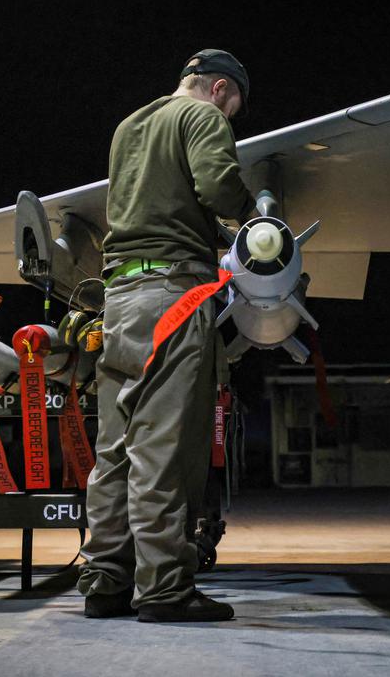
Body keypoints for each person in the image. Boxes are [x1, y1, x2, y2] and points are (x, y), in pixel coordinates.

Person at [76, 49, 256, 623]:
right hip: (174, 295)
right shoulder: (203, 118)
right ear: (220, 89)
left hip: (119, 300)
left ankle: (105, 577)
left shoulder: (130, 126)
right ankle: (165, 590)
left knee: (114, 451)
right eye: (236, 108)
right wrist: (257, 223)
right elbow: (220, 189)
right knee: (165, 448)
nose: (232, 118)